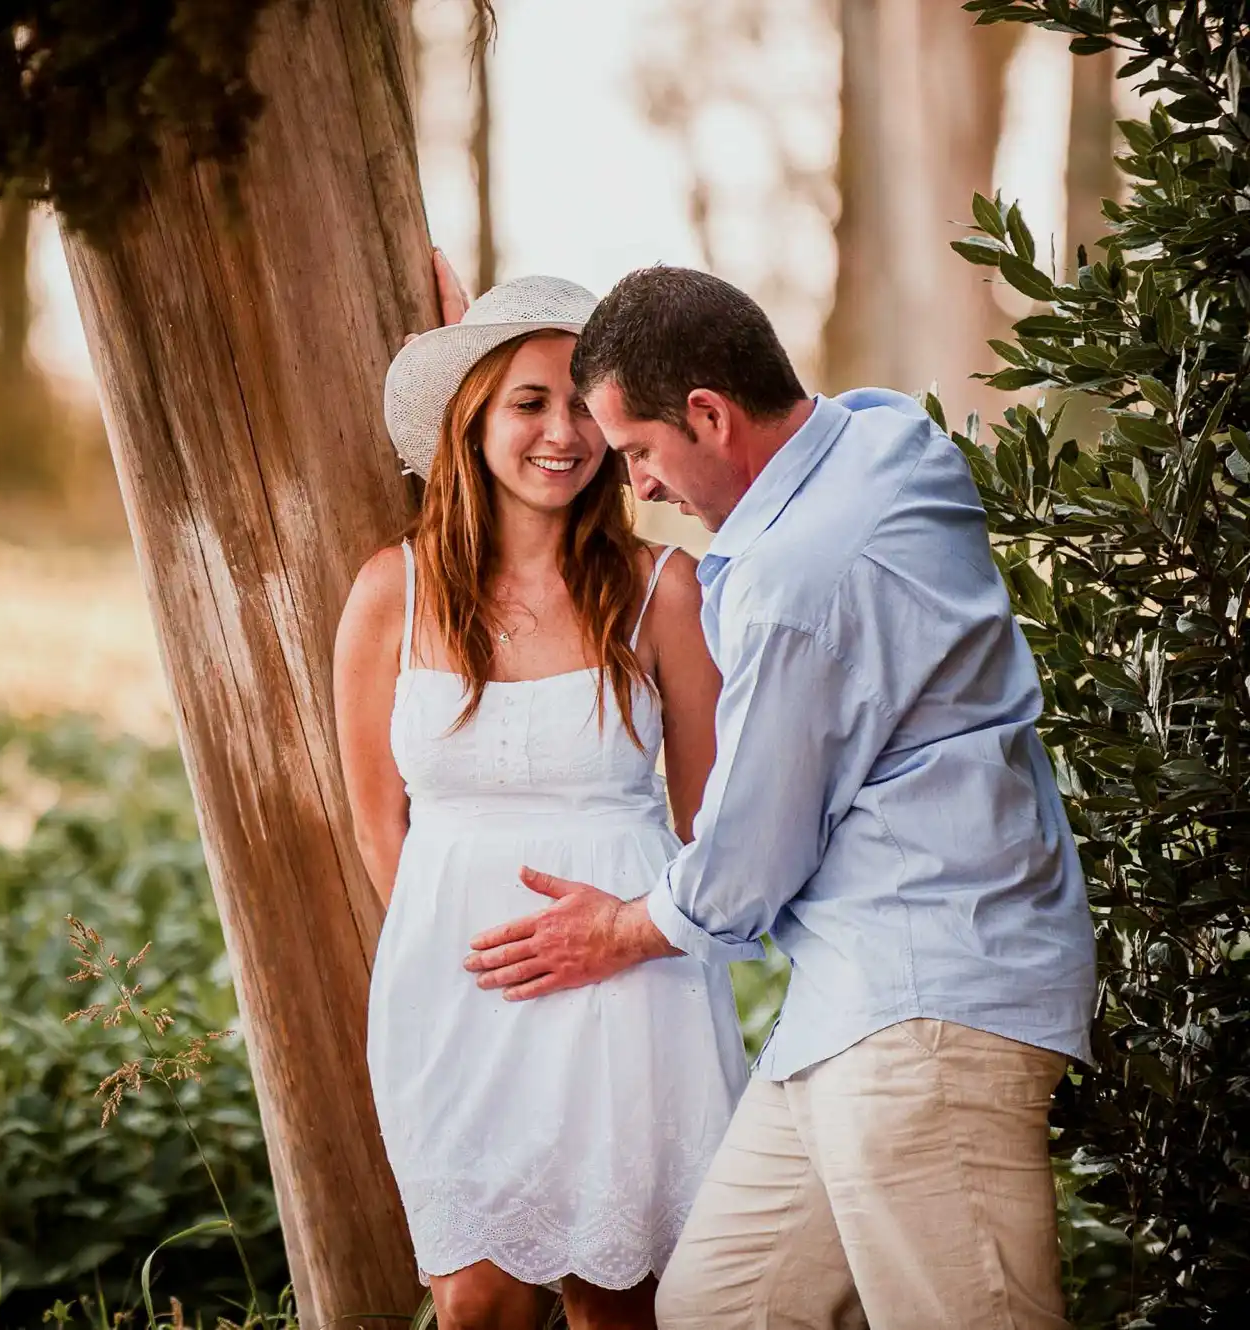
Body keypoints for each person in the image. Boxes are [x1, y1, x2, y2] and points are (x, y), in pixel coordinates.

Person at [462, 265, 1097, 1329]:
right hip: (841, 1005)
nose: (637, 487)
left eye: (637, 452)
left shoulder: (796, 584)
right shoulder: (884, 440)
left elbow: (748, 856)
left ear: (708, 415)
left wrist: (616, 928)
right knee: (722, 1305)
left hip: (921, 1001)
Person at [332, 267, 747, 1330]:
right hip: (459, 989)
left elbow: (705, 828)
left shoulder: (663, 590)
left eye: (580, 404)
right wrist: (451, 949)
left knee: (618, 1297)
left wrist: (626, 941)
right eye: (527, 400)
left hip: (627, 992)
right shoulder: (393, 589)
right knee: (476, 1302)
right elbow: (379, 820)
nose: (559, 431)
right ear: (471, 418)